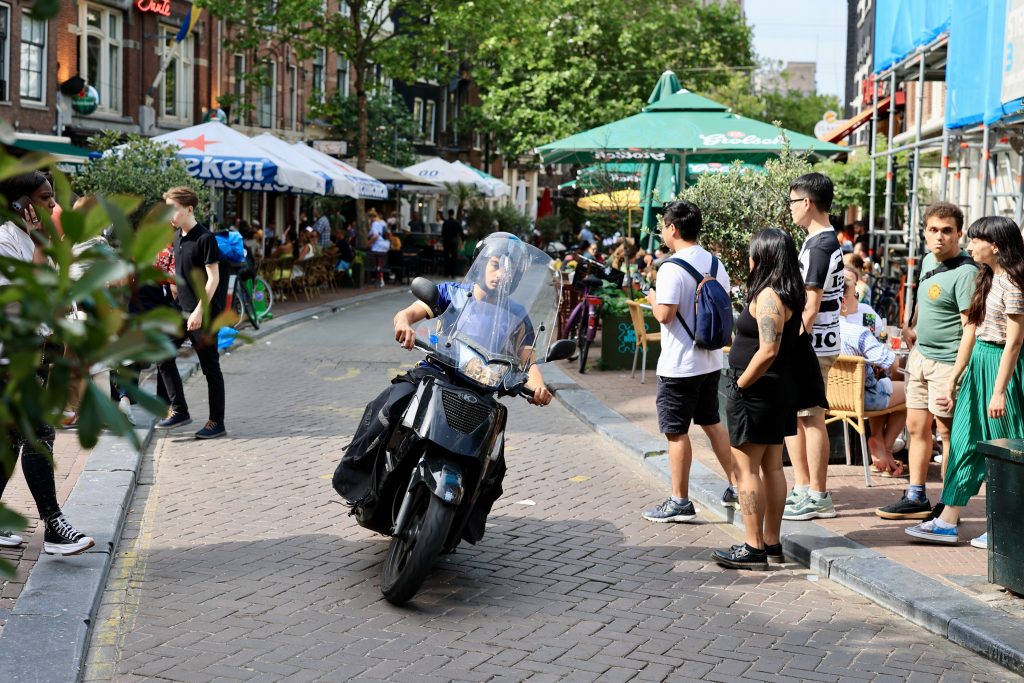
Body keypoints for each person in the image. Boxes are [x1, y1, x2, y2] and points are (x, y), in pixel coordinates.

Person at [335, 233, 553, 532]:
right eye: (495, 264)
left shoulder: (517, 316)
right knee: (390, 405)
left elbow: (529, 361)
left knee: (495, 461)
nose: (501, 273)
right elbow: (409, 313)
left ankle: (464, 522)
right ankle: (358, 477)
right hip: (436, 374)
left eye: (510, 269)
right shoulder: (453, 293)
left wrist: (538, 387)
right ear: (479, 263)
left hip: (483, 390)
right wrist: (404, 326)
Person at [905, 216, 1024, 547]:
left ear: (995, 246)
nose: (969, 245)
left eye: (975, 240)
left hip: (1002, 366)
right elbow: (973, 331)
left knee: (1007, 447)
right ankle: (947, 520)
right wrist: (956, 377)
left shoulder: (1013, 284)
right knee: (962, 441)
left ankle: (1007, 528)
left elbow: (1014, 343)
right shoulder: (987, 278)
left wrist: (999, 391)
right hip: (980, 365)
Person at [0, 171, 95, 555]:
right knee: (41, 433)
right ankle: (54, 526)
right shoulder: (6, 244)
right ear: (22, 205)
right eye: (45, 198)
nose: (54, 206)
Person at [875, 202, 976, 520]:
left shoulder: (966, 272)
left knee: (946, 436)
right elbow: (922, 300)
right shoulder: (927, 261)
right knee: (917, 429)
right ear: (924, 232)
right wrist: (911, 328)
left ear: (959, 233)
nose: (940, 237)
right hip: (920, 358)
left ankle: (948, 504)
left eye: (947, 231)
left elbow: (969, 327)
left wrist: (956, 374)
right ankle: (916, 496)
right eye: (933, 230)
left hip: (947, 365)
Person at [641, 201, 737, 523]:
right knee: (711, 422)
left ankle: (679, 500)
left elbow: (665, 315)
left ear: (673, 229)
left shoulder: (670, 268)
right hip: (710, 361)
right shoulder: (714, 262)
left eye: (663, 226)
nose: (662, 231)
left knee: (676, 432)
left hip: (679, 365)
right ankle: (737, 484)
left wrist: (652, 299)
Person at [714, 229, 805, 570]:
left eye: (752, 253)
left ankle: (754, 546)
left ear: (763, 257)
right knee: (770, 466)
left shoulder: (768, 297)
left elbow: (768, 349)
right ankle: (770, 542)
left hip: (758, 390)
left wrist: (741, 383)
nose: (748, 259)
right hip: (774, 389)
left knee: (746, 469)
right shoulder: (786, 294)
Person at [783, 173, 844, 521]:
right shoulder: (818, 242)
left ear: (806, 203)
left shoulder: (820, 245)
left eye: (792, 202)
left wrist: (791, 341)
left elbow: (812, 303)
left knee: (811, 417)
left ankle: (818, 494)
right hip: (817, 341)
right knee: (801, 416)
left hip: (814, 344)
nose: (790, 210)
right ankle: (804, 488)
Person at [155, 186, 228, 440]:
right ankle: (180, 410)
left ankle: (216, 422)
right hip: (180, 311)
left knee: (210, 369)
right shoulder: (177, 238)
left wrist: (198, 312)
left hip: (202, 313)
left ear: (189, 209)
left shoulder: (205, 238)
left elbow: (213, 279)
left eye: (173, 209)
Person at [838, 275, 907, 476]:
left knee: (884, 383)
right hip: (862, 397)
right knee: (914, 392)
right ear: (843, 301)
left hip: (828, 399)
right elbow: (889, 361)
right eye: (855, 295)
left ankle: (878, 440)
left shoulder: (816, 329)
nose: (858, 299)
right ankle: (885, 449)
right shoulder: (857, 332)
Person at [441, 209, 463, 278]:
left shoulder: (445, 223)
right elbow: (461, 232)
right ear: (453, 214)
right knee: (454, 257)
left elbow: (443, 233)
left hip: (447, 241)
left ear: (448, 214)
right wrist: (462, 241)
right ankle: (453, 274)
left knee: (446, 257)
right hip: (454, 241)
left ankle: (446, 273)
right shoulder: (457, 223)